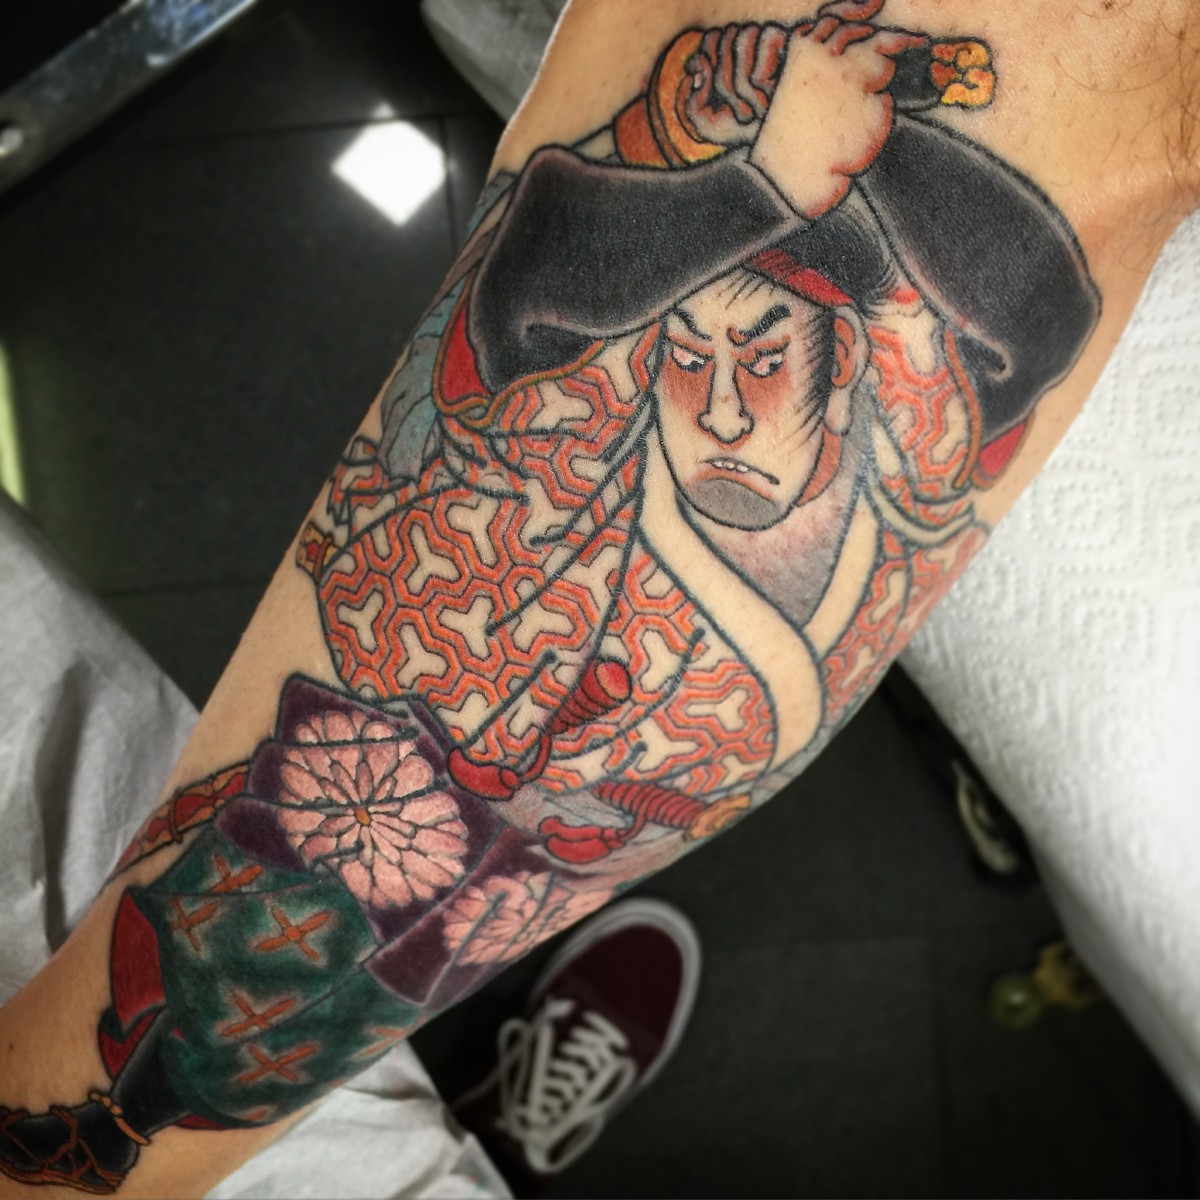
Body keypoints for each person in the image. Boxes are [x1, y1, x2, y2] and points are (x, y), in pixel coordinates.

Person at [0, 0, 1194, 1195]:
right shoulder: (572, 435)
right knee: (233, 946)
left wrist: (839, 151)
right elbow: (538, 282)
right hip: (347, 837)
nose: (717, 408)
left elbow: (1043, 278)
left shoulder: (909, 433)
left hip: (429, 874)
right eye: (690, 357)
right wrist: (753, 171)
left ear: (843, 373)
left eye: (765, 358)